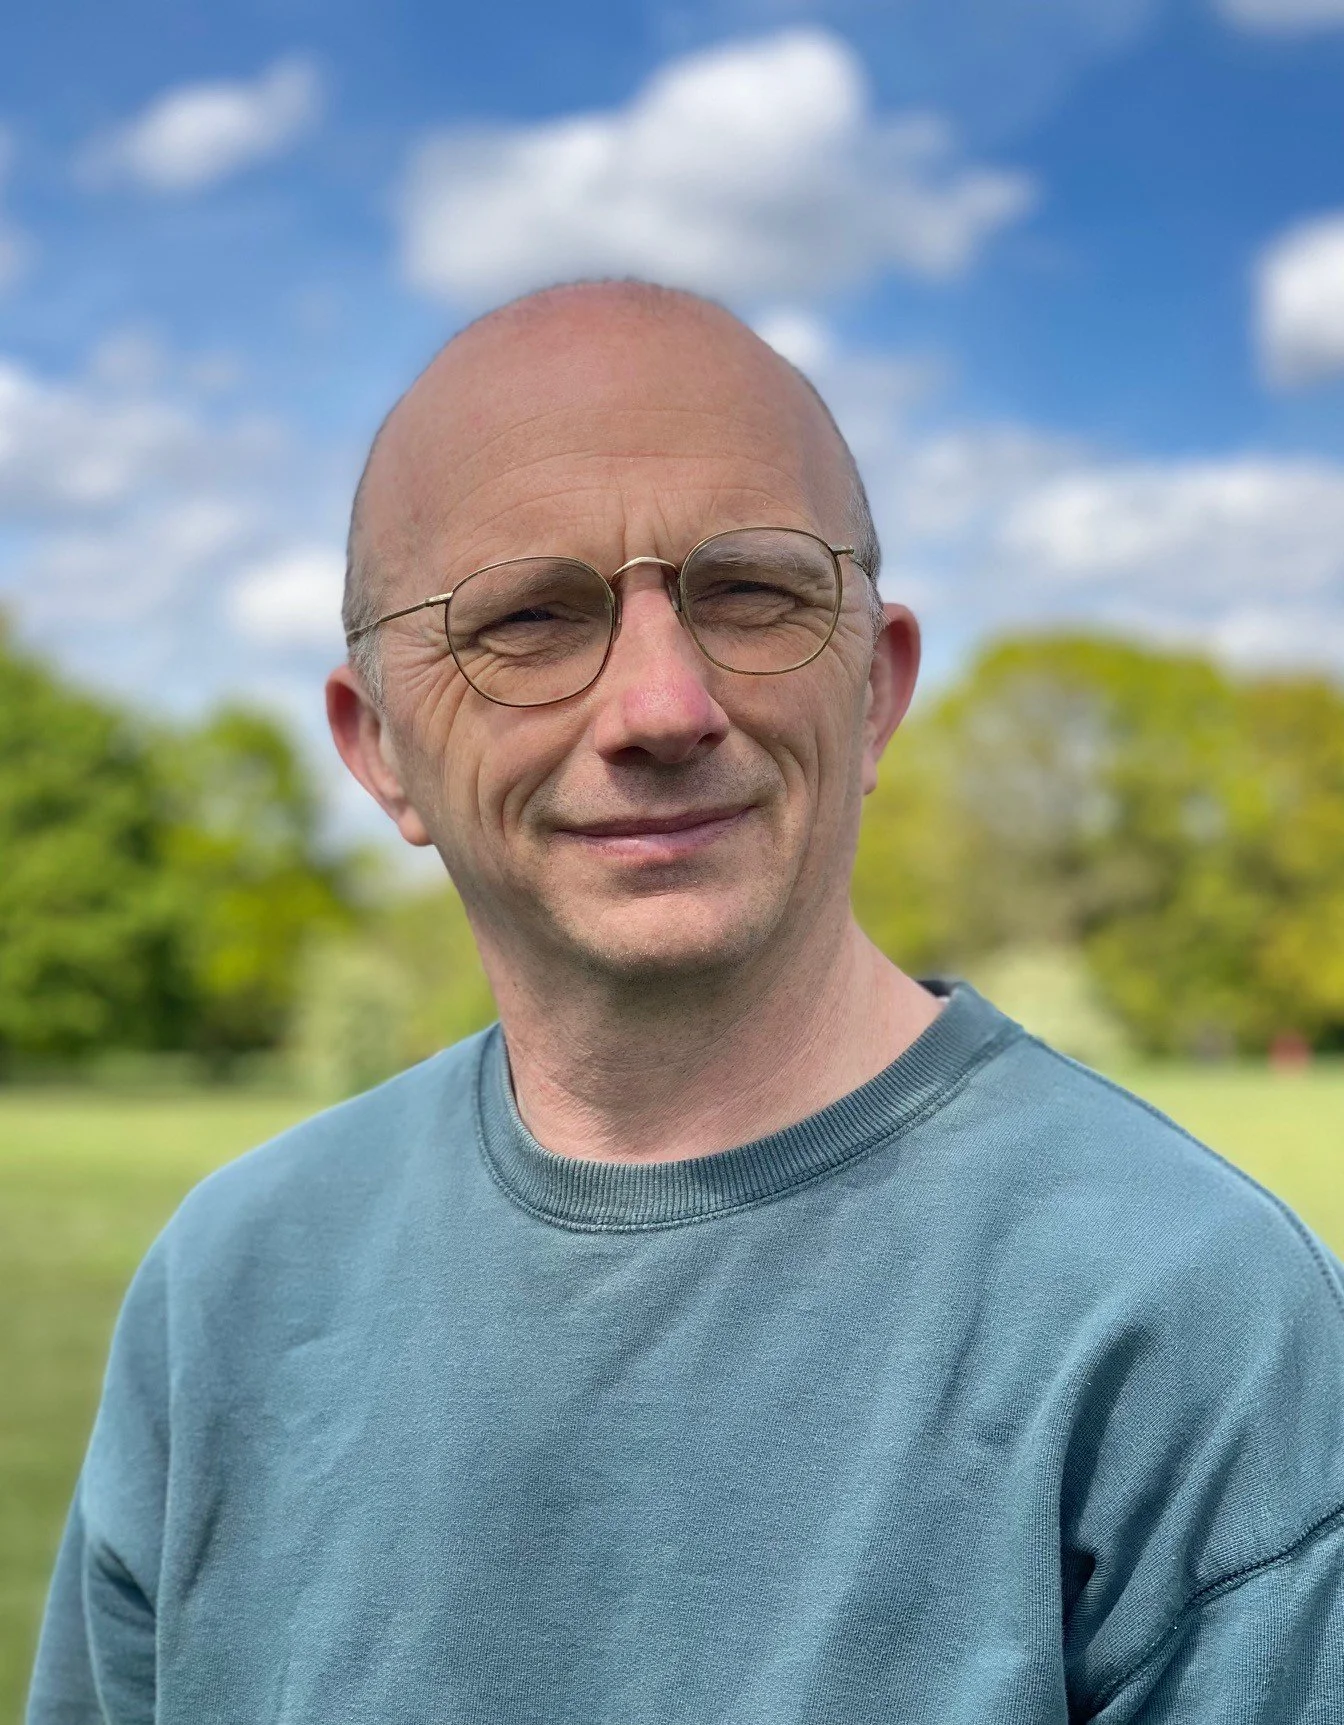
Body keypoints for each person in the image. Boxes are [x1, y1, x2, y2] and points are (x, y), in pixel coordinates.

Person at [27, 282, 1344, 1724]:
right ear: (379, 747)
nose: (662, 706)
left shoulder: (1196, 1320)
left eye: (753, 593)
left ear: (878, 692)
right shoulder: (228, 1284)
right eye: (527, 618)